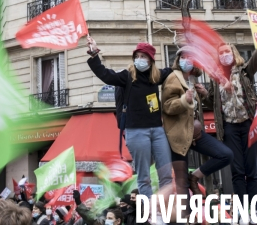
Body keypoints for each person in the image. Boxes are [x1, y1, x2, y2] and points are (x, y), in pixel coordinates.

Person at [86, 36, 173, 198]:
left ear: (151, 60)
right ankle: (150, 215)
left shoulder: (155, 76)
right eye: (137, 57)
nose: (139, 60)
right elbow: (105, 75)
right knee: (144, 177)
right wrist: (94, 54)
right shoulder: (127, 76)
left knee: (166, 174)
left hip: (158, 131)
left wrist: (184, 62)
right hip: (136, 131)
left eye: (143, 56)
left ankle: (167, 211)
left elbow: (171, 71)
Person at [161, 46, 233, 209]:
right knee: (180, 182)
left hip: (196, 134)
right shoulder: (173, 77)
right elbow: (167, 106)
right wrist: (183, 99)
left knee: (226, 155)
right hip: (178, 136)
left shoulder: (193, 80)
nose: (187, 60)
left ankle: (194, 177)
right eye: (183, 57)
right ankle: (185, 217)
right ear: (178, 60)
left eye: (191, 57)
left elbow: (208, 105)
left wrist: (205, 94)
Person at [207, 42, 257, 207]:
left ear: (234, 53)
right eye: (221, 52)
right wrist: (203, 93)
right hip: (229, 127)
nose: (224, 54)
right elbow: (211, 101)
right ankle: (242, 210)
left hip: (249, 124)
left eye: (227, 51)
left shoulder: (245, 71)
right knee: (237, 172)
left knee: (252, 171)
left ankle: (254, 210)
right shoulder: (215, 78)